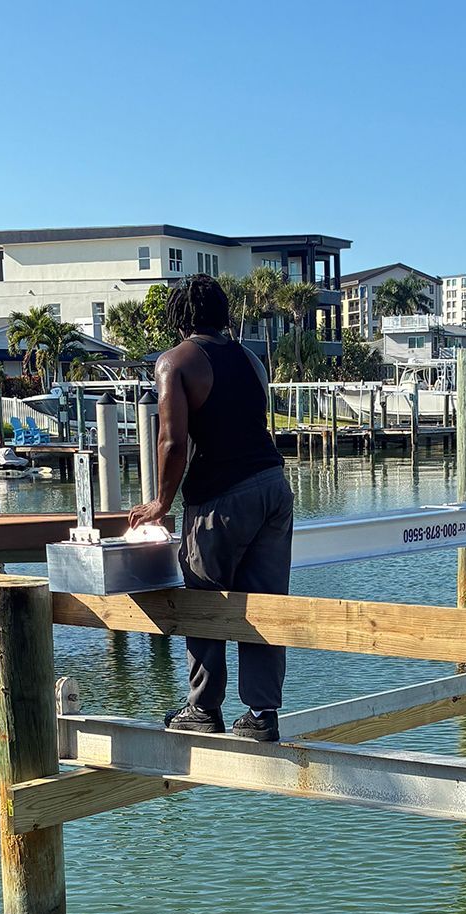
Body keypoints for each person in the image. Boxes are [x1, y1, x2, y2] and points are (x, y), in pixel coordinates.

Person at [127, 275, 293, 741]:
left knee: (203, 596)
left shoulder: (175, 362)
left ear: (181, 319)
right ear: (222, 314)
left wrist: (161, 503)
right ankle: (262, 715)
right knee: (264, 602)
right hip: (274, 486)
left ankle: (203, 708)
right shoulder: (250, 359)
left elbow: (172, 440)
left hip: (223, 496)